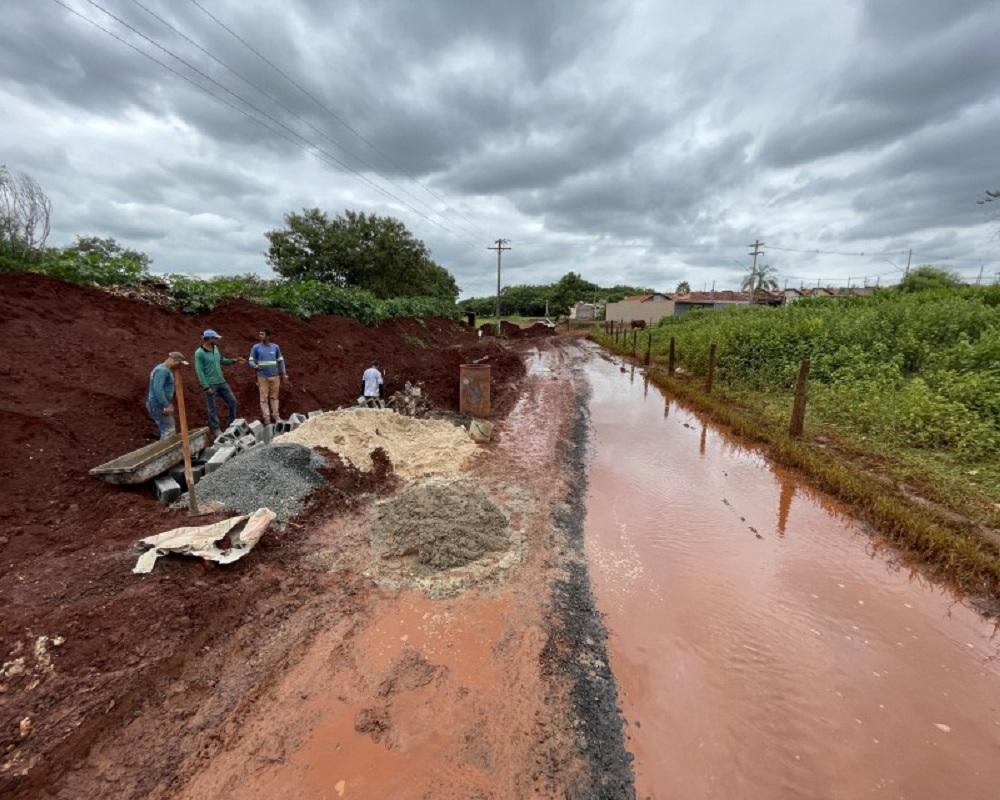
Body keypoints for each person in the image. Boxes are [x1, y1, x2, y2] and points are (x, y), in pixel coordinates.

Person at [194, 329, 244, 436]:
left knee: (232, 401)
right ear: (209, 339)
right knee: (212, 408)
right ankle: (216, 429)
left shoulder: (215, 348)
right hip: (210, 384)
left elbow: (222, 360)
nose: (217, 340)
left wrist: (234, 360)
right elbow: (199, 371)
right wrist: (206, 387)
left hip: (221, 382)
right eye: (215, 338)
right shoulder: (199, 353)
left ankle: (232, 424)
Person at [248, 328, 289, 425]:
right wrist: (254, 365)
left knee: (274, 397)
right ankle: (267, 420)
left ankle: (276, 417)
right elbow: (250, 360)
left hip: (275, 376)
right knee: (263, 399)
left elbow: (280, 361)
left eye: (262, 334)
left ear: (268, 336)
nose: (260, 336)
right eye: (259, 334)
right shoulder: (256, 347)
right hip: (262, 377)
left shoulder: (275, 347)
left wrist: (284, 373)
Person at [147, 351, 188, 439]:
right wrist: (165, 405)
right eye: (179, 363)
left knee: (167, 428)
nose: (179, 366)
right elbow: (158, 389)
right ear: (174, 361)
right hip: (158, 405)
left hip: (158, 404)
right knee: (169, 431)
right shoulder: (162, 371)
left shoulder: (163, 369)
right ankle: (165, 450)